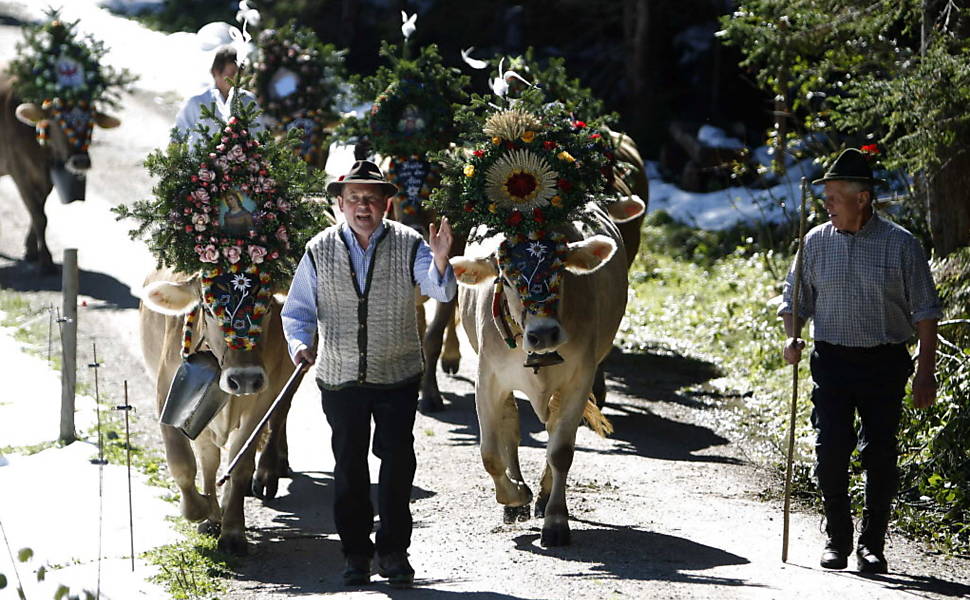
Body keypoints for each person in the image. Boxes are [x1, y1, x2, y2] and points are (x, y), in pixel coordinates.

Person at [281, 160, 455, 587]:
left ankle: (394, 553)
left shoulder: (410, 242)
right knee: (349, 468)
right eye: (355, 198)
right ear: (340, 204)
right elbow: (298, 309)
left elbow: (440, 289)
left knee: (397, 465)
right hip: (340, 379)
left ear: (387, 204)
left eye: (372, 199)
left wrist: (441, 260)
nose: (364, 206)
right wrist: (300, 344)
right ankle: (356, 555)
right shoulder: (318, 248)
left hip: (396, 374)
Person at [778, 147, 942, 574]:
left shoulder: (901, 246)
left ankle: (872, 546)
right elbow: (795, 300)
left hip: (885, 362)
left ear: (862, 198)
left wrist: (926, 372)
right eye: (825, 196)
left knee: (880, 454)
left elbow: (925, 312)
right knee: (830, 451)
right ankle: (837, 538)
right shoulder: (814, 242)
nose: (827, 204)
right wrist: (792, 336)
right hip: (831, 360)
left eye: (834, 196)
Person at [173, 45, 264, 149]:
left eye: (239, 74)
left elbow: (260, 134)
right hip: (202, 162)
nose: (235, 79)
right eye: (231, 73)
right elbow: (178, 134)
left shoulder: (248, 100)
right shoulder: (196, 102)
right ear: (216, 71)